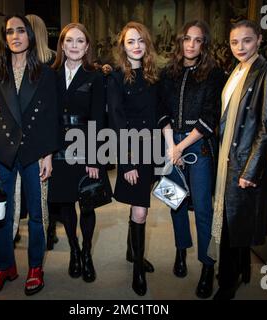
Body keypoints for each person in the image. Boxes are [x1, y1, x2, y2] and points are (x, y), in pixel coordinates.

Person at [0, 14, 60, 297]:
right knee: (1, 213)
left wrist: (48, 154)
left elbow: (50, 117)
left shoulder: (46, 72)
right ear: (4, 37)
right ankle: (4, 267)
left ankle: (35, 267)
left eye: (20, 31)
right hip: (1, 150)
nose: (15, 36)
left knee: (36, 214)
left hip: (35, 150)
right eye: (9, 31)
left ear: (30, 36)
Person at [210, 20, 267, 300]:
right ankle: (241, 270)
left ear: (259, 39)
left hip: (244, 162)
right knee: (232, 221)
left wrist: (251, 170)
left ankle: (227, 284)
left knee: (232, 226)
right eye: (234, 42)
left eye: (247, 40)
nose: (240, 47)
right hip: (227, 159)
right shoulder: (236, 71)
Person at [159, 20, 224, 299]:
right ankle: (180, 251)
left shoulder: (214, 74)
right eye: (187, 38)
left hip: (199, 145)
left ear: (204, 44)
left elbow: (210, 118)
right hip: (170, 142)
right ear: (180, 41)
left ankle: (208, 266)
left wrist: (180, 147)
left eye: (198, 40)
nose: (191, 45)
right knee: (174, 202)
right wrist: (170, 146)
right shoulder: (168, 72)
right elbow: (161, 110)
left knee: (202, 208)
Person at [47, 22, 108, 283]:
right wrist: (46, 152)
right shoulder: (50, 75)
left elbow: (98, 118)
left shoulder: (95, 75)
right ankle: (73, 249)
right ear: (61, 44)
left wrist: (94, 157)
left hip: (85, 143)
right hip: (58, 145)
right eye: (69, 40)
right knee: (65, 202)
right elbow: (46, 117)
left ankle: (86, 253)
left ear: (87, 47)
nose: (74, 45)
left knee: (88, 204)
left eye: (80, 41)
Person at [107, 21, 159, 296]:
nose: (136, 46)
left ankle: (131, 252)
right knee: (141, 210)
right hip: (132, 150)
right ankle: (138, 269)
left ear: (146, 44)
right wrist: (126, 161)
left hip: (152, 151)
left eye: (140, 40)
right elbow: (116, 120)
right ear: (123, 47)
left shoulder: (153, 75)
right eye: (130, 41)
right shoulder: (116, 77)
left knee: (139, 208)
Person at [12, 14, 58, 249]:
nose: (18, 36)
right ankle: (19, 229)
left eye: (23, 29)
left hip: (41, 139)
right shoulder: (10, 65)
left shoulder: (50, 63)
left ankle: (44, 232)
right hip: (19, 140)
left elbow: (52, 108)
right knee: (19, 191)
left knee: (40, 192)